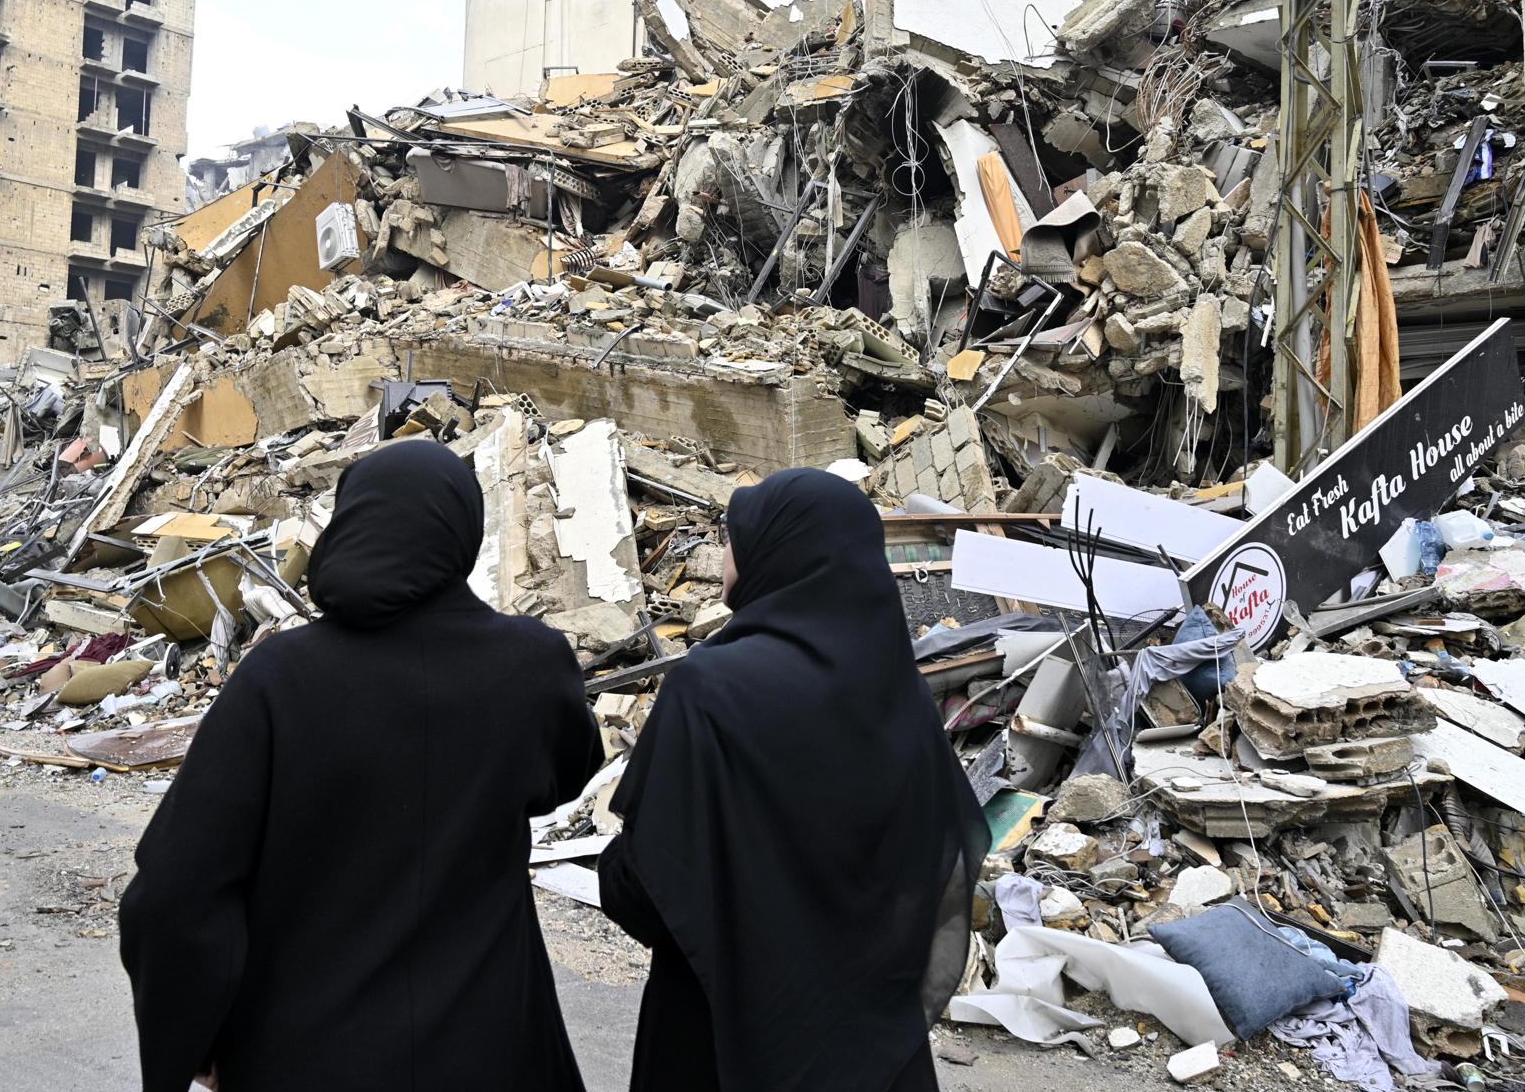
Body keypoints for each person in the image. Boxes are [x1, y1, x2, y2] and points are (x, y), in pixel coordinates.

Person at [119, 440, 601, 1092]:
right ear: (463, 533)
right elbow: (568, 773)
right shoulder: (531, 668)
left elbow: (175, 894)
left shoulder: (278, 680)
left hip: (301, 1057)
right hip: (492, 1052)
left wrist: (194, 1035)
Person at [598, 468, 988, 1092]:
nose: (723, 553)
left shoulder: (710, 690)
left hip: (720, 1035)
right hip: (871, 1050)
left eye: (731, 538)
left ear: (773, 551)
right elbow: (933, 863)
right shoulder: (902, 696)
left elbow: (646, 885)